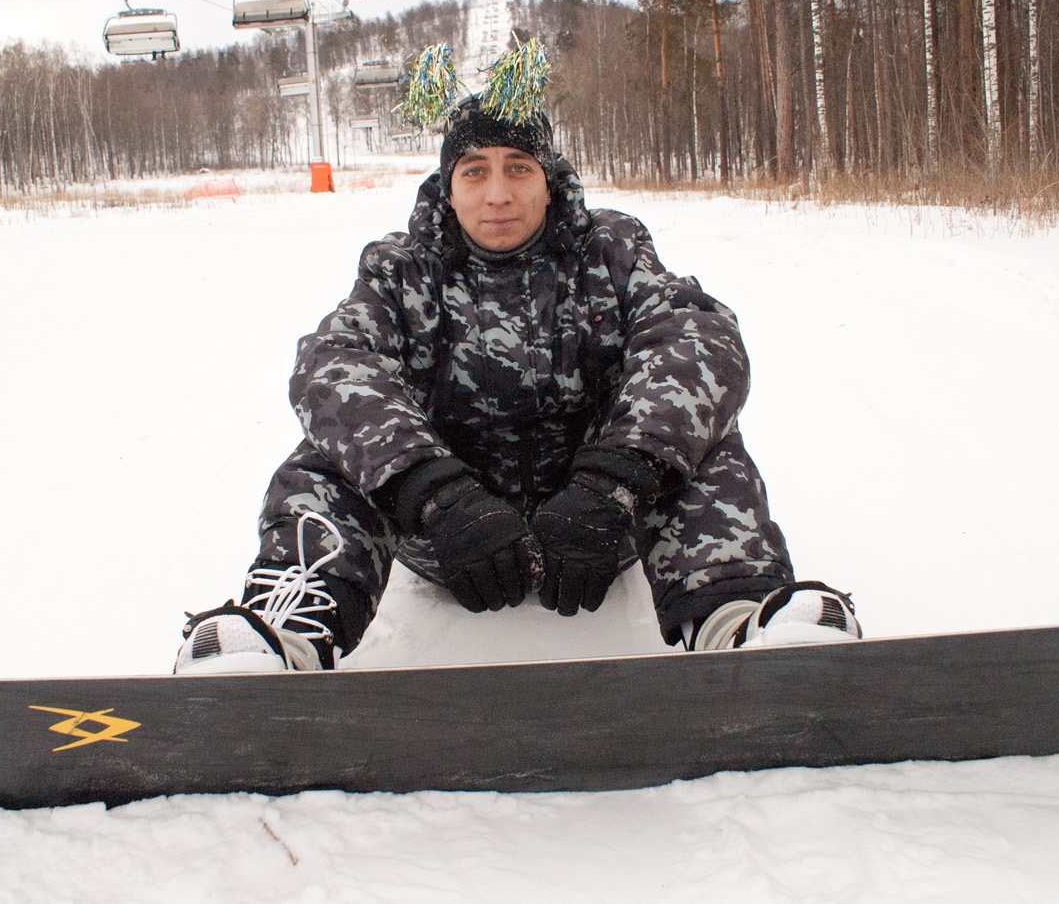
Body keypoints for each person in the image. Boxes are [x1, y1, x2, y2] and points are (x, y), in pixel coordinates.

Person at [174, 95, 860, 674]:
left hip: (604, 523)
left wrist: (615, 481)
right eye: (474, 171)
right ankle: (287, 630)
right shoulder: (400, 268)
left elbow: (697, 339)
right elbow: (333, 362)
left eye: (517, 168)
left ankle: (739, 615)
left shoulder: (613, 248)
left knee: (699, 437)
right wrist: (435, 494)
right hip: (449, 536)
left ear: (549, 180)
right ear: (448, 186)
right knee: (329, 453)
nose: (497, 193)